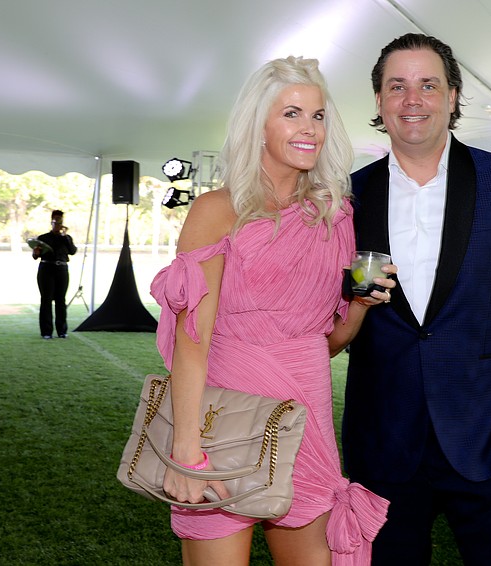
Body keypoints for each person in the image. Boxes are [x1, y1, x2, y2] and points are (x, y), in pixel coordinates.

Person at [149, 56, 392, 566]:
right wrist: (186, 450)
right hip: (221, 423)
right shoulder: (217, 210)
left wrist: (359, 305)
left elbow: (326, 343)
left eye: (318, 115)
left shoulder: (335, 215)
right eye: (291, 113)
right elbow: (193, 341)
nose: (309, 128)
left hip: (305, 422)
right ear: (258, 124)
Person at [342, 34, 491, 565]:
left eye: (428, 84)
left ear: (452, 96)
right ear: (379, 100)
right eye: (397, 86)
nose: (412, 99)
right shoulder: (348, 195)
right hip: (383, 443)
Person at [32, 210, 77, 339]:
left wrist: (65, 236)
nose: (57, 223)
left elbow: (72, 251)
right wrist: (36, 252)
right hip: (46, 269)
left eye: (60, 221)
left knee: (60, 300)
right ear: (51, 222)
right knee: (46, 300)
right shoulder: (43, 238)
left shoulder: (66, 238)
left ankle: (62, 331)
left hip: (62, 269)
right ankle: (46, 332)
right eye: (55, 220)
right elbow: (35, 256)